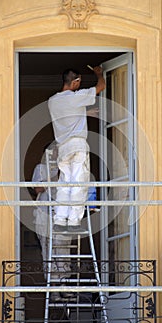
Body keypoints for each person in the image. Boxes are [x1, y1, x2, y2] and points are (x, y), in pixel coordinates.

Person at [48, 66, 105, 233]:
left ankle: (59, 218)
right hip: (78, 145)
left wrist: (85, 113)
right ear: (75, 82)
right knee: (79, 182)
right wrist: (99, 74)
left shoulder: (53, 101)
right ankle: (73, 221)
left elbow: (68, 113)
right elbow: (101, 86)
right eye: (79, 82)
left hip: (63, 147)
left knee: (64, 182)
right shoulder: (77, 97)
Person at [32, 143, 73, 301]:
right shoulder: (41, 168)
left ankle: (64, 285)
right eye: (55, 151)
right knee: (48, 249)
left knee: (63, 248)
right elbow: (38, 188)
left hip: (62, 212)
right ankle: (54, 289)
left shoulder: (67, 167)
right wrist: (52, 175)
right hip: (45, 213)